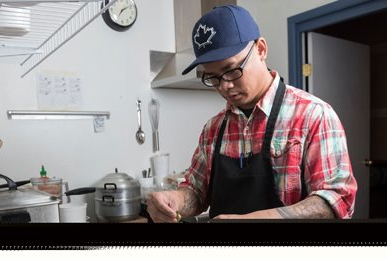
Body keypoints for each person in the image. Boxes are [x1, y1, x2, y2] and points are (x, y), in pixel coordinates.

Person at [146, 5, 357, 222]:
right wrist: (175, 199)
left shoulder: (313, 115)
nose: (225, 86)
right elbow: (196, 192)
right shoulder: (213, 128)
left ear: (261, 49)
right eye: (213, 78)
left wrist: (258, 219)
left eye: (232, 70)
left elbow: (334, 201)